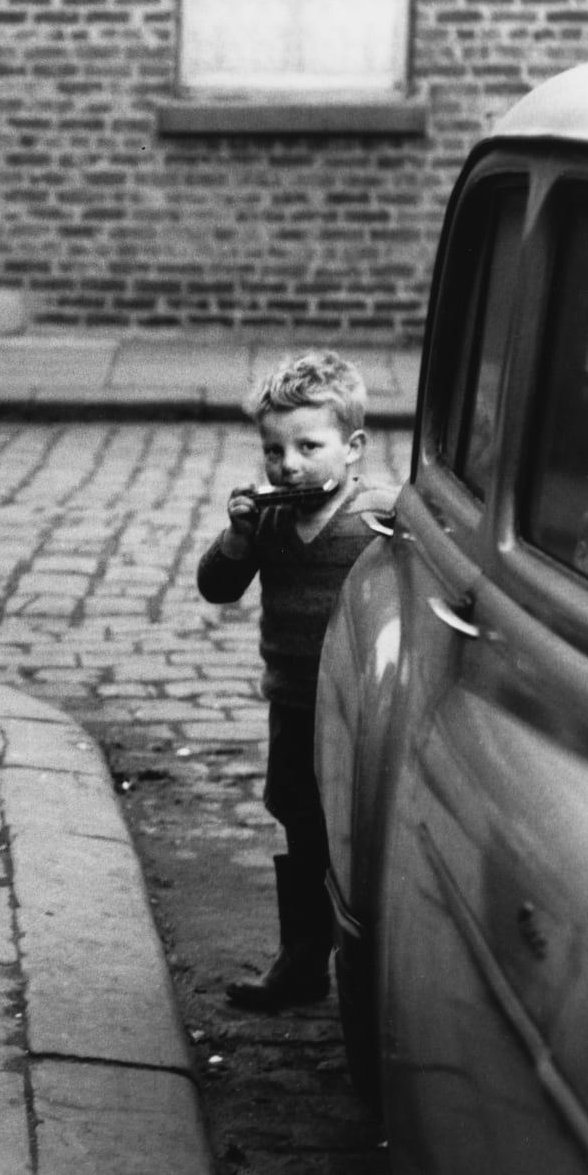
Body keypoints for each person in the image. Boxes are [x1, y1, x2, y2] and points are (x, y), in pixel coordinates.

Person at [196, 350, 394, 1012]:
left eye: (309, 446)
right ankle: (303, 959)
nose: (289, 464)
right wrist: (236, 535)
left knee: (364, 830)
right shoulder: (271, 523)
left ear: (354, 446)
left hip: (362, 708)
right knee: (302, 826)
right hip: (294, 704)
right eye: (274, 450)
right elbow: (216, 586)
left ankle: (377, 964)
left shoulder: (380, 519)